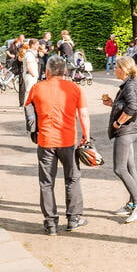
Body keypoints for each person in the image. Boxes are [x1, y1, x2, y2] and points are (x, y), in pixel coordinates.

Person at [25, 55, 91, 235]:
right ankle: (73, 219)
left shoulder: (37, 88)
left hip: (45, 140)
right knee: (72, 178)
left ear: (47, 71)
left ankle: (50, 223)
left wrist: (34, 131)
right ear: (65, 71)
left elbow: (28, 110)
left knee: (46, 182)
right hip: (68, 140)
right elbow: (83, 115)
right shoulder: (74, 88)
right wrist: (86, 136)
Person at [105, 56, 137, 223]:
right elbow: (126, 104)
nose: (114, 69)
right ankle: (132, 203)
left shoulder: (130, 86)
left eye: (116, 67)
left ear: (122, 69)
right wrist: (112, 103)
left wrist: (117, 122)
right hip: (128, 131)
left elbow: (131, 108)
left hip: (125, 131)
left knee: (120, 168)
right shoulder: (129, 85)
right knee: (130, 168)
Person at [7, 34, 26, 107]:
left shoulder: (24, 45)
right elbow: (8, 51)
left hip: (21, 66)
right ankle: (21, 103)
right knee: (21, 85)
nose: (22, 39)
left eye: (23, 38)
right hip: (15, 64)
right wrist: (11, 56)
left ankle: (24, 102)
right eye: (20, 38)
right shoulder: (13, 45)